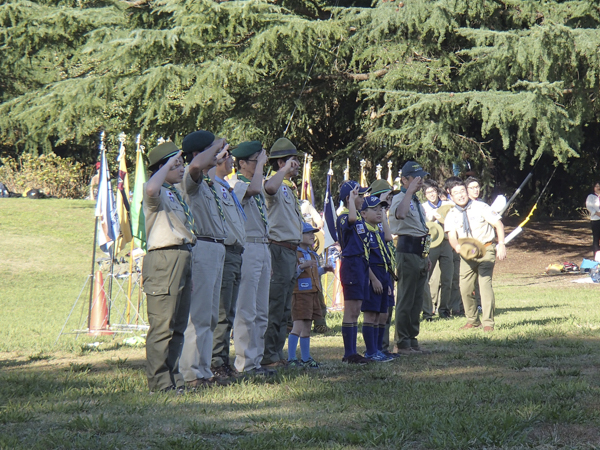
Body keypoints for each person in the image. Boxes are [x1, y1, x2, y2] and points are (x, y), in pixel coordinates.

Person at [142, 142, 197, 394]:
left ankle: (173, 379)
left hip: (182, 255)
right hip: (164, 258)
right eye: (176, 164)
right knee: (162, 325)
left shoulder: (174, 193)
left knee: (178, 325)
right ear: (162, 168)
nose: (181, 168)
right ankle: (159, 383)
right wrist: (166, 164)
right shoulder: (156, 191)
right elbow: (152, 186)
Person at [179, 131, 229, 388]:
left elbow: (205, 165)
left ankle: (203, 369)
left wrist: (216, 153)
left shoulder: (208, 181)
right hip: (202, 246)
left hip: (216, 247)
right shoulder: (192, 176)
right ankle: (191, 372)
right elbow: (197, 165)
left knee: (209, 316)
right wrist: (217, 145)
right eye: (212, 150)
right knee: (197, 314)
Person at [230, 141, 273, 375]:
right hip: (248, 247)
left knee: (261, 310)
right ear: (243, 163)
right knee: (246, 309)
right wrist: (260, 169)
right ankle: (244, 362)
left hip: (263, 247)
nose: (261, 165)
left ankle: (256, 360)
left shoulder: (255, 181)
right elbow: (255, 190)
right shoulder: (237, 183)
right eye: (256, 161)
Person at [261, 138, 303, 368]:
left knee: (286, 308)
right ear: (280, 163)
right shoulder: (274, 184)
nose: (296, 165)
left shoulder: (290, 188)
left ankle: (277, 352)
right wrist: (283, 170)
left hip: (290, 250)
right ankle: (269, 355)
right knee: (275, 304)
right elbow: (268, 188)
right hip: (277, 249)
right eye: (291, 161)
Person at [444, 179, 507, 332]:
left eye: (462, 192)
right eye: (456, 193)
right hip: (467, 254)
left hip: (486, 249)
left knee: (485, 285)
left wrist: (502, 244)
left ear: (466, 192)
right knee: (465, 288)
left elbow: (498, 224)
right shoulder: (451, 214)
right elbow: (451, 235)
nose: (460, 195)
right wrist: (457, 247)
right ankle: (472, 320)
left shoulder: (481, 207)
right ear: (451, 196)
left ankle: (488, 323)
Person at [210, 145, 247, 379]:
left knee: (229, 311)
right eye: (228, 156)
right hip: (224, 249)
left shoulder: (225, 186)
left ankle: (223, 360)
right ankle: (216, 361)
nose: (232, 160)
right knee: (222, 311)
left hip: (236, 251)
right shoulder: (211, 185)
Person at [388, 161, 432, 356]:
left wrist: (426, 254)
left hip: (420, 252)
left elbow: (423, 229)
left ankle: (412, 339)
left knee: (417, 299)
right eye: (415, 178)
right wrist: (408, 192)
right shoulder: (401, 198)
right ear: (404, 180)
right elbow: (401, 214)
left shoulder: (416, 201)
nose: (419, 181)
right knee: (406, 298)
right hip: (406, 251)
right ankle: (402, 342)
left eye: (421, 177)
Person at [287, 222, 334, 368]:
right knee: (298, 325)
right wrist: (302, 266)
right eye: (307, 233)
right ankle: (291, 358)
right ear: (298, 235)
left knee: (307, 326)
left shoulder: (312, 254)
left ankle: (306, 358)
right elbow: (292, 274)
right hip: (300, 294)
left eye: (312, 233)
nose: (312, 236)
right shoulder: (294, 253)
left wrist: (323, 270)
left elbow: (313, 272)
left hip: (313, 293)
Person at [336, 180, 371, 364]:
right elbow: (350, 220)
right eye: (360, 196)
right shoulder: (344, 216)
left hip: (361, 263)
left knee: (357, 309)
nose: (363, 199)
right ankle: (349, 353)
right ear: (350, 198)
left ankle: (353, 351)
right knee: (351, 309)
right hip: (351, 264)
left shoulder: (358, 218)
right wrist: (350, 202)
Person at [360, 195, 395, 362]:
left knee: (382, 314)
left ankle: (378, 349)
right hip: (372, 274)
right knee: (371, 315)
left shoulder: (378, 231)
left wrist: (386, 280)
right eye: (375, 209)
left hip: (383, 275)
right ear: (364, 214)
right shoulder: (364, 231)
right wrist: (373, 279)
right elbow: (364, 259)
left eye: (381, 209)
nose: (379, 212)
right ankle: (371, 351)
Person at [369, 179, 399, 358]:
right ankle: (375, 348)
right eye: (388, 195)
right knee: (377, 312)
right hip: (376, 267)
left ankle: (383, 347)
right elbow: (386, 238)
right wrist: (380, 208)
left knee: (387, 310)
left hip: (387, 267)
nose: (389, 200)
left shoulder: (383, 215)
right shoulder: (373, 215)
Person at [421, 179, 454, 319]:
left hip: (446, 242)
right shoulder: (422, 207)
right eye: (428, 192)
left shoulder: (448, 205)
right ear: (424, 194)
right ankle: (428, 310)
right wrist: (431, 217)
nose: (431, 195)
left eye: (433, 191)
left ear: (437, 191)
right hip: (430, 241)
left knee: (447, 278)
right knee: (426, 278)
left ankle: (444, 309)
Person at [585, 181, 600, 258]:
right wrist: (596, 213)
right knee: (596, 238)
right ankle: (596, 257)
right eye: (596, 186)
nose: (598, 188)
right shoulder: (591, 196)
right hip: (596, 219)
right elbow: (589, 206)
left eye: (599, 186)